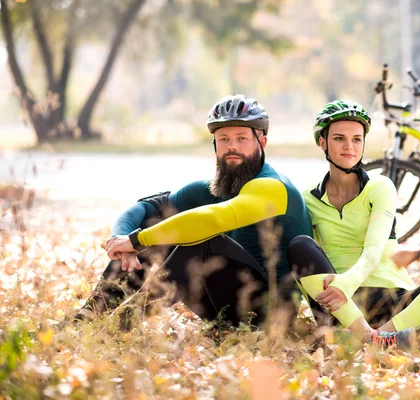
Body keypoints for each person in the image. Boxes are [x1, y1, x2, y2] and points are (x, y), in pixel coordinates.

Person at [75, 94, 313, 330]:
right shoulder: (212, 189)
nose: (232, 147)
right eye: (224, 140)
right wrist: (124, 242)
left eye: (242, 138)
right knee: (160, 225)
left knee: (200, 240)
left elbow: (212, 219)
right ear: (215, 145)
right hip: (221, 307)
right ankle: (86, 319)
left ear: (262, 142)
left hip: (269, 316)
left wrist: (137, 240)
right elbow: (147, 208)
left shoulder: (274, 187)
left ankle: (122, 323)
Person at [287, 100, 420, 349]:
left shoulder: (380, 187)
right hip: (342, 306)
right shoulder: (307, 199)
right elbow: (304, 267)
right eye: (339, 138)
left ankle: (379, 338)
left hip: (396, 304)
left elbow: (373, 251)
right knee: (299, 245)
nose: (350, 146)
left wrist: (348, 283)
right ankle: (369, 336)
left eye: (357, 139)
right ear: (323, 142)